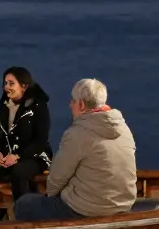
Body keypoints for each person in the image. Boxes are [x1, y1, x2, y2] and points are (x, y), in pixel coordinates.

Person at [14, 79, 137, 221]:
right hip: (122, 206)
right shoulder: (124, 129)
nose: (70, 104)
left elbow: (56, 179)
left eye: (73, 100)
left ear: (82, 104)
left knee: (24, 204)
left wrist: (50, 196)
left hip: (86, 210)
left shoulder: (77, 134)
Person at [0, 67, 53, 220]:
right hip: (6, 155)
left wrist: (17, 156)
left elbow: (40, 140)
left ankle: (23, 217)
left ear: (24, 86)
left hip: (34, 156)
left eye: (11, 83)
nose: (7, 87)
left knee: (19, 172)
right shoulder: (2, 106)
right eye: (5, 83)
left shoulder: (38, 106)